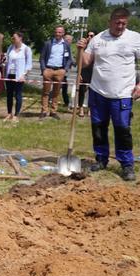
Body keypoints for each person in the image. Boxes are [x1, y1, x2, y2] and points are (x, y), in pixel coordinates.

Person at [78, 7, 140, 181]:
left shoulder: (135, 38)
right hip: (98, 92)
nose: (120, 26)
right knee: (98, 128)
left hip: (122, 94)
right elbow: (86, 62)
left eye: (123, 23)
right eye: (117, 22)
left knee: (122, 129)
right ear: (110, 21)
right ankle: (101, 159)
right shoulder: (98, 39)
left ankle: (127, 165)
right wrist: (80, 50)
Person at [39, 26, 73, 119]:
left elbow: (70, 59)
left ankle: (53, 111)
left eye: (60, 32)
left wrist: (64, 70)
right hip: (48, 70)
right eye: (56, 32)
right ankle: (44, 110)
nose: (58, 34)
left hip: (60, 70)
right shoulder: (48, 44)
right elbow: (42, 57)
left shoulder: (66, 45)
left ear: (63, 33)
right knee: (45, 92)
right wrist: (43, 69)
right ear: (54, 33)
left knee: (56, 92)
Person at [4, 32, 32, 122]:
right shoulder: (10, 48)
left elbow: (29, 64)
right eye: (12, 38)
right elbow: (7, 60)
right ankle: (9, 113)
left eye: (14, 38)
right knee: (9, 95)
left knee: (18, 95)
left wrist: (24, 75)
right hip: (10, 74)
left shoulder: (26, 49)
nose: (13, 39)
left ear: (20, 38)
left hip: (19, 75)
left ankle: (16, 115)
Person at [77, 31, 96, 118]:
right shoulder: (83, 47)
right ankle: (80, 108)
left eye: (91, 36)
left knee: (92, 92)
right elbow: (79, 60)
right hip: (84, 70)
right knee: (81, 90)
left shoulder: (97, 47)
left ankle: (90, 109)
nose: (89, 37)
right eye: (88, 35)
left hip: (94, 71)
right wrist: (79, 73)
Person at [61, 34, 74, 109]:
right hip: (61, 71)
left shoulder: (68, 48)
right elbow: (71, 59)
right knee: (62, 86)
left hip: (65, 72)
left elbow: (71, 60)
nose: (70, 41)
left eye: (71, 40)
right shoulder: (63, 47)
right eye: (69, 40)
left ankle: (66, 102)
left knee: (63, 87)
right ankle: (67, 102)